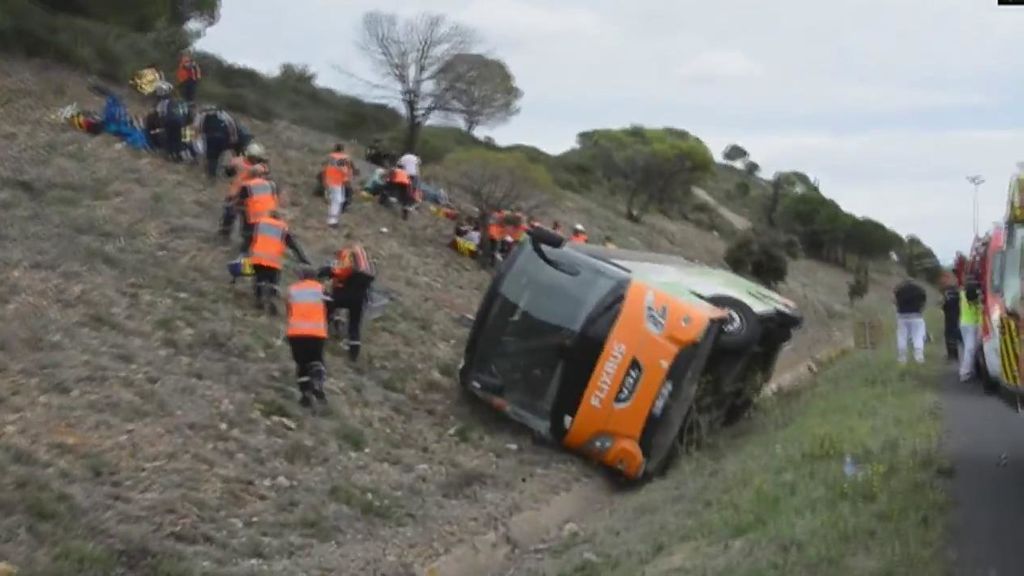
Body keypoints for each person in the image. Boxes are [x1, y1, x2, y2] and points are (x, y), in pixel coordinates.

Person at [318, 243, 376, 361]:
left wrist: (327, 271)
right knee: (354, 325)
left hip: (345, 293)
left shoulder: (347, 254)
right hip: (360, 298)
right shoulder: (363, 260)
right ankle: (353, 354)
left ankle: (320, 336)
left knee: (327, 308)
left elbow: (341, 271)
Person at [247, 210, 312, 314]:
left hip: (258, 258)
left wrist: (246, 251)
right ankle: (271, 298)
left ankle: (258, 299)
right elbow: (293, 245)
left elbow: (250, 237)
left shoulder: (260, 223)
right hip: (273, 261)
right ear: (279, 218)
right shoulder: (282, 227)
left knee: (259, 279)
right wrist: (303, 259)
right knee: (273, 282)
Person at [286, 267, 330, 407]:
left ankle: (305, 394)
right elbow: (331, 305)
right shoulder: (320, 289)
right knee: (316, 360)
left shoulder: (292, 289)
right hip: (316, 333)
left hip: (296, 333)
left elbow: (288, 308)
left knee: (302, 364)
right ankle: (317, 383)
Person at [236, 158, 280, 251]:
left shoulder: (247, 186)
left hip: (253, 218)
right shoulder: (272, 184)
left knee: (247, 240)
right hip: (270, 215)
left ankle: (243, 255)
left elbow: (240, 202)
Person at [197, 107, 251, 179]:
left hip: (230, 138)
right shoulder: (204, 117)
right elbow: (197, 130)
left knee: (236, 155)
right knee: (213, 157)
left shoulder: (223, 116)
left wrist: (233, 138)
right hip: (219, 139)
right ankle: (213, 174)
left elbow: (232, 127)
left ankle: (235, 172)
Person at [894, 279, 927, 365]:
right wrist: (921, 309)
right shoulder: (919, 290)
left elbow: (895, 302)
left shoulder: (900, 290)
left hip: (902, 316)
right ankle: (919, 357)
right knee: (918, 336)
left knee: (902, 337)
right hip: (916, 316)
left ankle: (902, 358)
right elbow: (923, 301)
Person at [153, 81, 186, 162]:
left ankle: (170, 155)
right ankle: (179, 155)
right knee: (178, 139)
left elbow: (160, 114)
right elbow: (184, 113)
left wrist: (160, 124)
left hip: (169, 121)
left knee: (169, 138)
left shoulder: (163, 102)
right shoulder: (179, 102)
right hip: (180, 121)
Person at [959, 279, 983, 382]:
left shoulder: (962, 294)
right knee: (971, 348)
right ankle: (965, 372)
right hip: (973, 324)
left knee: (969, 348)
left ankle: (969, 369)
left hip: (964, 323)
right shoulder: (977, 298)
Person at [324, 144, 352, 228]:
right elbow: (343, 169)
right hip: (337, 181)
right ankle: (332, 221)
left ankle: (331, 218)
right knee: (337, 201)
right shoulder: (343, 157)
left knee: (334, 200)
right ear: (342, 150)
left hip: (329, 180)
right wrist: (347, 178)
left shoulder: (331, 156)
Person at [941, 275, 961, 361]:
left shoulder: (946, 294)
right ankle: (956, 354)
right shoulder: (959, 293)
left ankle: (951, 354)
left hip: (949, 317)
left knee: (949, 336)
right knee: (956, 336)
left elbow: (943, 305)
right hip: (957, 316)